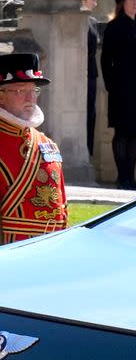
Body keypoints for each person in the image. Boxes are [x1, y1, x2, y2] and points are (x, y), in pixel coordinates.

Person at [0, 52, 67, 244]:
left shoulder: (47, 144)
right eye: (21, 90)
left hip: (50, 250)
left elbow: (62, 208)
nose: (31, 97)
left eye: (34, 90)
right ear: (1, 96)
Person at [100, 0, 136, 188]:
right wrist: (113, 86)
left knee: (135, 132)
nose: (135, 3)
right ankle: (123, 177)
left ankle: (131, 175)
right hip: (121, 90)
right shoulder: (114, 27)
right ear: (122, 2)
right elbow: (106, 60)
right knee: (122, 132)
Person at [74, 0, 99, 156]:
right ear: (83, 0)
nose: (95, 4)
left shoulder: (93, 21)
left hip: (91, 73)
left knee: (91, 115)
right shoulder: (74, 20)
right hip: (77, 75)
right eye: (92, 0)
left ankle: (88, 153)